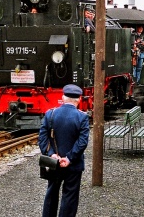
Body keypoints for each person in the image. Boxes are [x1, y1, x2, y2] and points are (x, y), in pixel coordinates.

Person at [38, 84, 90, 217]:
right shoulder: (82, 117)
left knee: (51, 193)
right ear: (78, 100)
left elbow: (42, 138)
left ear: (62, 98)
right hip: (73, 164)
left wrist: (52, 155)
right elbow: (82, 142)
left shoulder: (50, 114)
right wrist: (69, 158)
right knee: (70, 197)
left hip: (54, 163)